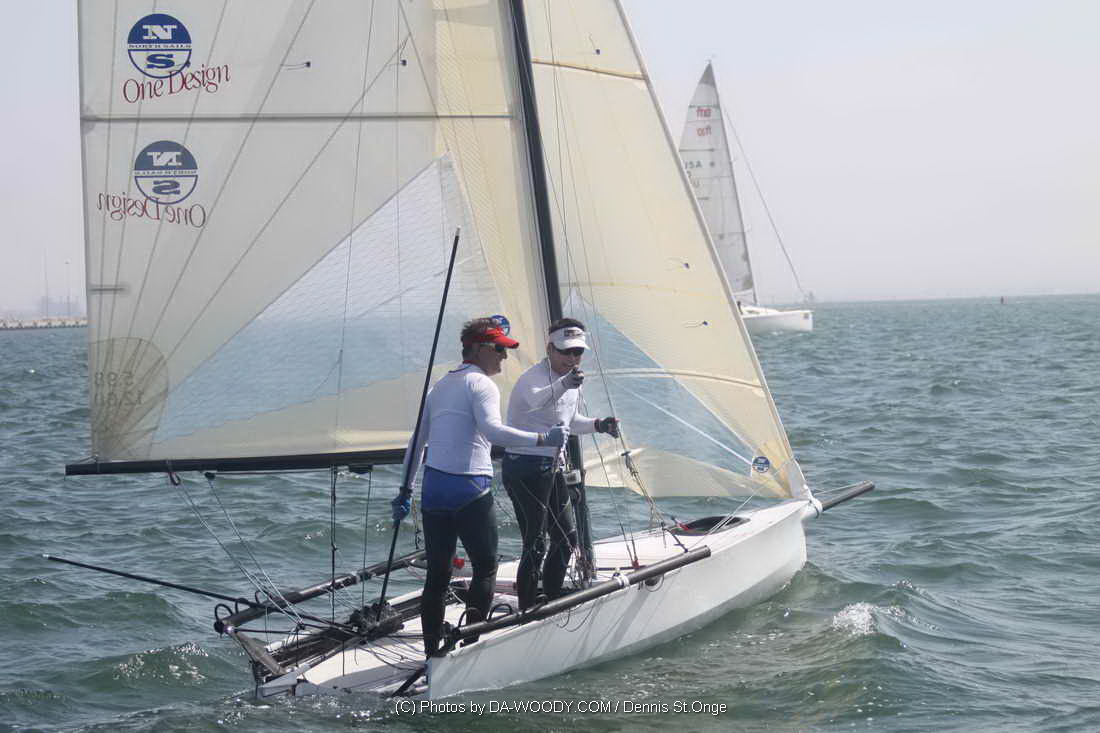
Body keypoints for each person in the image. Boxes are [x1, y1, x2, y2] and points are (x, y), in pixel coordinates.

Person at [391, 317, 569, 657]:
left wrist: (405, 490)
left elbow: (416, 444)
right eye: (499, 349)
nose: (504, 356)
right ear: (478, 349)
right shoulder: (482, 384)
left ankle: (432, 655)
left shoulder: (439, 387)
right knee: (485, 568)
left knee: (438, 575)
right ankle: (469, 649)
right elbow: (493, 431)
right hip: (469, 490)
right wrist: (543, 438)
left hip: (433, 492)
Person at [502, 318, 619, 610]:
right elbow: (536, 402)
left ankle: (550, 599)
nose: (572, 358)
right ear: (550, 349)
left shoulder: (571, 380)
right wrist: (566, 383)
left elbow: (569, 421)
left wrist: (599, 424)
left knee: (567, 538)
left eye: (578, 352)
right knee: (535, 542)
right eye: (566, 351)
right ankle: (527, 608)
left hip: (552, 467)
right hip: (524, 467)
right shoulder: (532, 379)